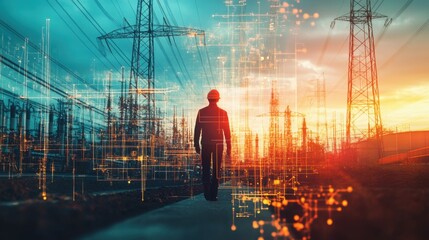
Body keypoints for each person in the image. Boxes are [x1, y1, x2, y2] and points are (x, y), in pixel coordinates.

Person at [194, 89, 231, 201]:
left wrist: (196, 144)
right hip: (218, 145)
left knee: (205, 169)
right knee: (216, 170)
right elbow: (227, 132)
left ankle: (206, 194)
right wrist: (229, 147)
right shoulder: (223, 113)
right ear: (218, 99)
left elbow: (197, 129)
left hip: (206, 144)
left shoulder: (202, 112)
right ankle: (213, 194)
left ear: (208, 99)